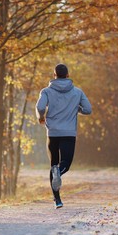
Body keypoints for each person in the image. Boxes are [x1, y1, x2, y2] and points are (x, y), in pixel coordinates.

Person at [36, 64, 92, 209]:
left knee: (53, 164)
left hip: (53, 133)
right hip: (68, 133)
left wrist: (41, 117)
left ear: (54, 76)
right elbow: (88, 110)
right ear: (68, 75)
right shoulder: (77, 92)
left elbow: (40, 107)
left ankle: (57, 200)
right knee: (65, 163)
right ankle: (59, 173)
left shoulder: (46, 91)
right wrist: (75, 108)